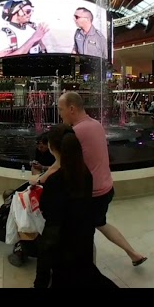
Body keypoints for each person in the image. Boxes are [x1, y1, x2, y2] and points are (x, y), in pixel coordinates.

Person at [53, 91, 147, 267]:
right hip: (106, 188)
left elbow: (60, 164)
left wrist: (41, 178)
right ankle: (134, 254)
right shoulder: (96, 124)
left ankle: (89, 273)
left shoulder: (75, 133)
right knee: (100, 223)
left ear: (71, 109)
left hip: (92, 194)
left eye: (61, 109)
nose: (59, 114)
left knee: (85, 234)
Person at [34, 123, 118, 289]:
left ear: (52, 147)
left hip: (65, 254)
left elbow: (52, 231)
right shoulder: (84, 173)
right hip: (83, 245)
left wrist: (40, 280)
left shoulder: (56, 182)